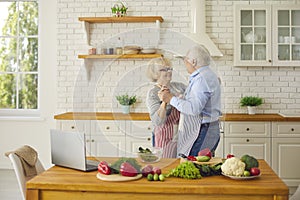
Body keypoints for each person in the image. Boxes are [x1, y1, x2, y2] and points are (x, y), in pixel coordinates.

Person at [159, 45, 221, 157]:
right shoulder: (209, 74)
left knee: (194, 166)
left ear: (193, 61)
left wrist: (171, 99)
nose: (185, 63)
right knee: (204, 166)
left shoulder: (201, 80)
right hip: (211, 128)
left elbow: (193, 109)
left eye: (186, 59)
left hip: (203, 130)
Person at [146, 57, 186, 158]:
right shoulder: (153, 93)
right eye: (164, 69)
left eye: (169, 69)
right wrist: (164, 101)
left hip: (181, 136)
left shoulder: (179, 87)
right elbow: (157, 121)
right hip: (164, 137)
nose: (168, 71)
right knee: (166, 166)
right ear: (155, 74)